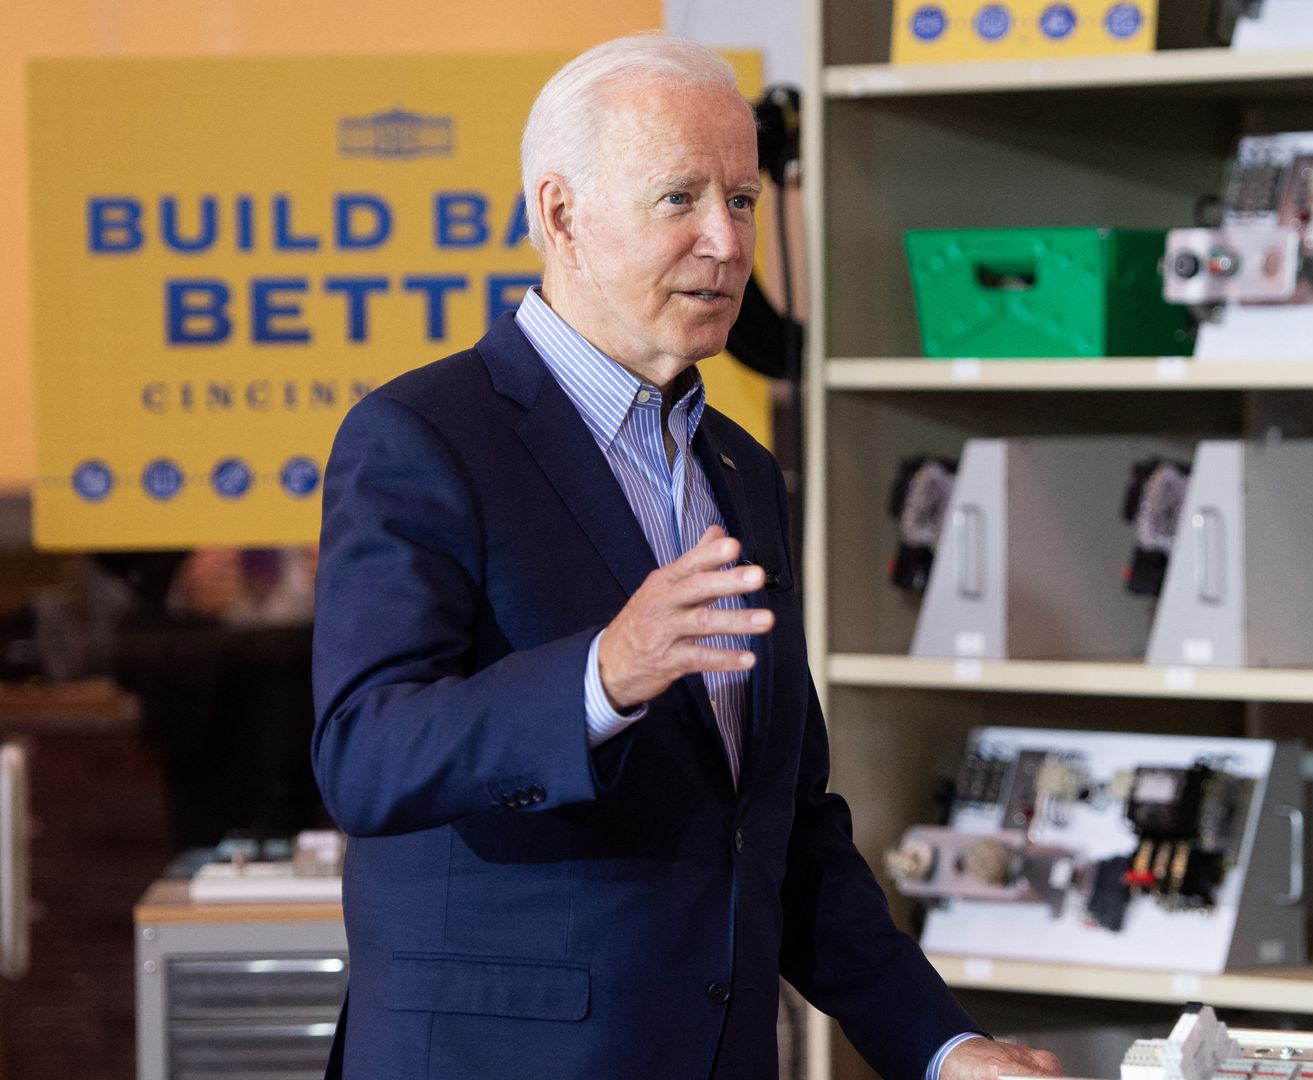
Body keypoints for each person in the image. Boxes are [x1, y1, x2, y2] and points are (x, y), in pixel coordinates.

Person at [310, 32, 1061, 1080]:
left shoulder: (741, 472)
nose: (725, 240)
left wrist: (939, 1046)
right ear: (559, 214)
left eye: (744, 199)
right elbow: (364, 755)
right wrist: (599, 678)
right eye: (680, 200)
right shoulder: (423, 437)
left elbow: (779, 828)